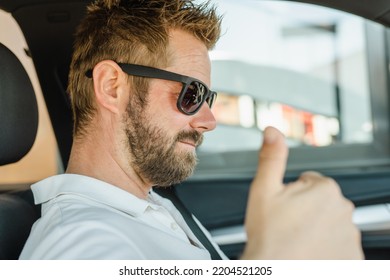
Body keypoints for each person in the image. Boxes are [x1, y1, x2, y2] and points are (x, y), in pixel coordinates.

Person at [19, 0, 363, 259]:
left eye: (208, 97)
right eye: (192, 93)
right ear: (111, 87)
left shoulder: (154, 204)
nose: (209, 120)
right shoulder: (79, 243)